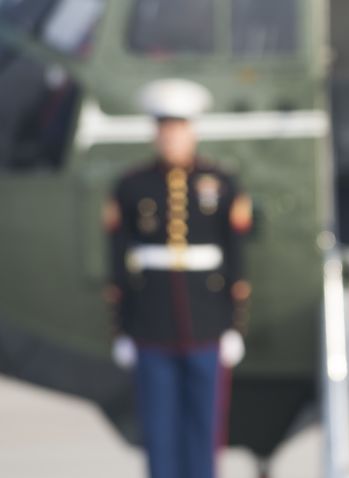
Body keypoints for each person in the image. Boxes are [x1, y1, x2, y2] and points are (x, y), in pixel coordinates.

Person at [103, 79, 252, 478]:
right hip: (151, 325)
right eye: (164, 129)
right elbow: (118, 260)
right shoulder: (131, 185)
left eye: (179, 128)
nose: (172, 137)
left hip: (207, 322)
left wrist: (234, 324)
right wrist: (122, 328)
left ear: (193, 131)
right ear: (155, 133)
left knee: (204, 429)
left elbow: (235, 257)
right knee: (159, 430)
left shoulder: (220, 183)